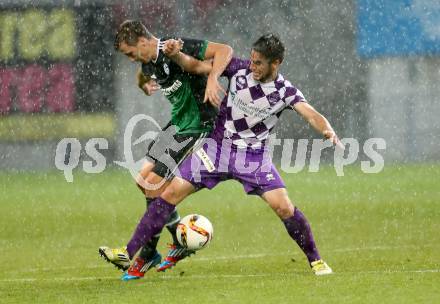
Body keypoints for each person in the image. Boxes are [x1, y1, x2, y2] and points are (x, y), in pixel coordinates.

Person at [122, 34, 341, 280]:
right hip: (217, 148)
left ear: (276, 63)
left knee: (283, 206)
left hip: (253, 158)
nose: (253, 66)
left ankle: (316, 260)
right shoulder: (238, 68)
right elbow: (196, 66)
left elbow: (311, 114)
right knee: (169, 192)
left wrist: (326, 129)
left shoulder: (284, 91)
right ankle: (131, 253)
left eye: (259, 63)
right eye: (252, 60)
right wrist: (176, 56)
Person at [99, 20, 233, 279]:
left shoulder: (176, 46)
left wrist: (213, 79)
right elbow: (143, 73)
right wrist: (143, 85)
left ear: (143, 41)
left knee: (155, 184)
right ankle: (177, 239)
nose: (130, 59)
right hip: (177, 124)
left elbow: (224, 50)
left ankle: (147, 253)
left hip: (198, 125)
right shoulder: (147, 62)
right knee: (143, 181)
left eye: (129, 52)